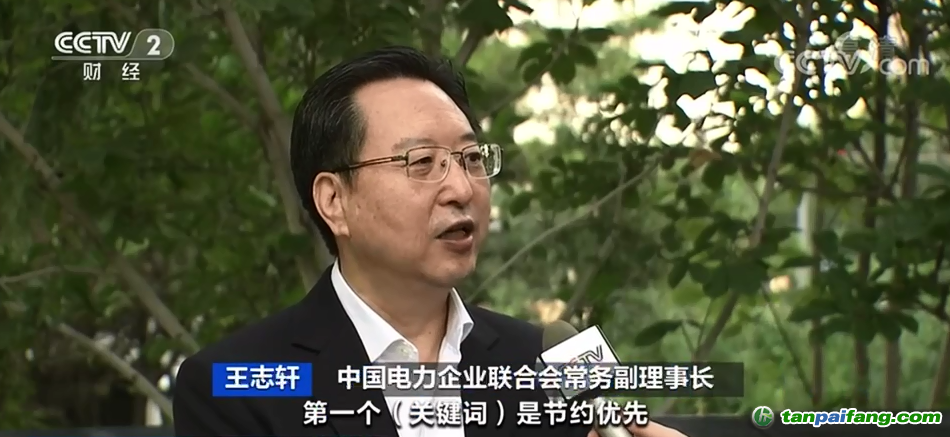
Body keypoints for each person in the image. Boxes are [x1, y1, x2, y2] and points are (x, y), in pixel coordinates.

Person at [172, 46, 689, 437]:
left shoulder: (547, 364)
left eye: (471, 159)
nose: (462, 188)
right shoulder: (232, 386)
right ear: (334, 200)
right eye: (421, 163)